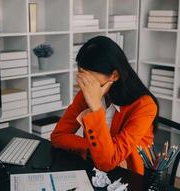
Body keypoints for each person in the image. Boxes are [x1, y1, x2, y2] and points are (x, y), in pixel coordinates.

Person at [51, 36, 158, 175]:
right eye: (82, 77)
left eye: (90, 79)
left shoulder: (145, 106)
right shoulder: (87, 94)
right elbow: (58, 136)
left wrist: (96, 107)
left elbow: (107, 162)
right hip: (95, 169)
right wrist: (94, 149)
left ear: (114, 76)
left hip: (128, 176)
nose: (84, 85)